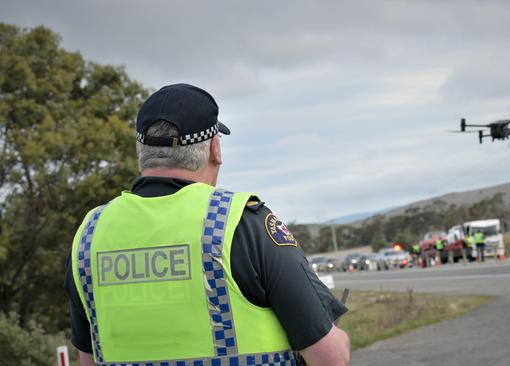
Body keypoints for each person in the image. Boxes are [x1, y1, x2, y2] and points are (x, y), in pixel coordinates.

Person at [63, 83, 350, 366]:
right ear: (216, 149)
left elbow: (89, 359)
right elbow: (331, 358)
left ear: (140, 150)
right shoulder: (242, 224)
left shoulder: (90, 236)